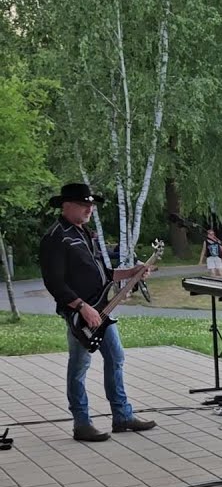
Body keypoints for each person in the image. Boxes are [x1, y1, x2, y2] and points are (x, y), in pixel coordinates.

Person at [39, 182, 156, 442]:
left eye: (91, 205)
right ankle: (81, 422)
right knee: (80, 365)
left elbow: (106, 273)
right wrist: (82, 306)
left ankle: (122, 415)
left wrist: (132, 272)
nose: (90, 209)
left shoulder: (86, 234)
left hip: (103, 307)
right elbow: (54, 283)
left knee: (116, 357)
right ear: (66, 205)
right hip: (79, 315)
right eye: (84, 205)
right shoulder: (56, 237)